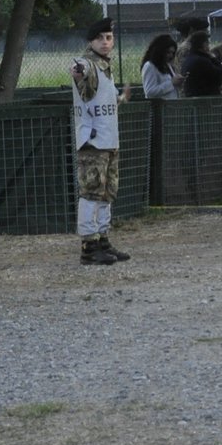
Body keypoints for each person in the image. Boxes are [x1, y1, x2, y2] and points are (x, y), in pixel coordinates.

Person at [70, 18, 132, 265]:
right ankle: (88, 244)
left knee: (107, 193)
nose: (105, 43)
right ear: (90, 41)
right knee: (91, 192)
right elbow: (79, 71)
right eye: (100, 38)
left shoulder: (106, 67)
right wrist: (79, 73)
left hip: (108, 139)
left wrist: (121, 99)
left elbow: (103, 101)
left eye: (108, 37)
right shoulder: (87, 64)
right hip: (93, 141)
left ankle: (103, 239)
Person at [179, 30, 222, 97]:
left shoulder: (189, 58)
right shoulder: (202, 61)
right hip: (204, 99)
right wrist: (214, 59)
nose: (209, 46)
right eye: (207, 43)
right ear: (204, 44)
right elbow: (219, 75)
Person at [139, 34, 181, 100]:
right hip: (159, 108)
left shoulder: (167, 65)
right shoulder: (150, 66)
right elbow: (150, 92)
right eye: (168, 52)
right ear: (160, 51)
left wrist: (177, 82)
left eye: (172, 53)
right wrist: (171, 83)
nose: (171, 56)